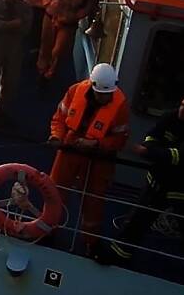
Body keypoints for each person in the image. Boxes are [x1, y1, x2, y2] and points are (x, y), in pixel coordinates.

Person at [103, 92, 184, 265]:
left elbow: (180, 157)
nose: (182, 110)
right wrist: (153, 149)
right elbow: (152, 137)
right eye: (182, 104)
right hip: (159, 182)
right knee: (137, 220)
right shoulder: (171, 117)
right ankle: (119, 254)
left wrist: (148, 152)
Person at [48, 63, 129, 253]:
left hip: (99, 158)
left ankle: (90, 242)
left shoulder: (120, 105)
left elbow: (120, 139)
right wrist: (56, 136)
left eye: (108, 94)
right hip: (70, 146)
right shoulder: (75, 91)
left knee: (94, 200)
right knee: (55, 190)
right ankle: (48, 229)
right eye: (101, 94)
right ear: (92, 86)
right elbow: (59, 118)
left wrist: (97, 144)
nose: (105, 98)